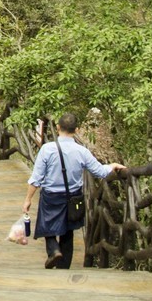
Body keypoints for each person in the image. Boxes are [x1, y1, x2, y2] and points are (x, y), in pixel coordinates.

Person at [22, 112, 125, 269]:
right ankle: (63, 268)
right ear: (76, 130)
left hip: (51, 195)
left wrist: (28, 199)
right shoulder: (81, 151)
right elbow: (100, 172)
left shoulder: (47, 149)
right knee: (67, 231)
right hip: (73, 197)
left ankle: (53, 250)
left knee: (47, 224)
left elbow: (36, 178)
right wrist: (114, 165)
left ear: (57, 128)